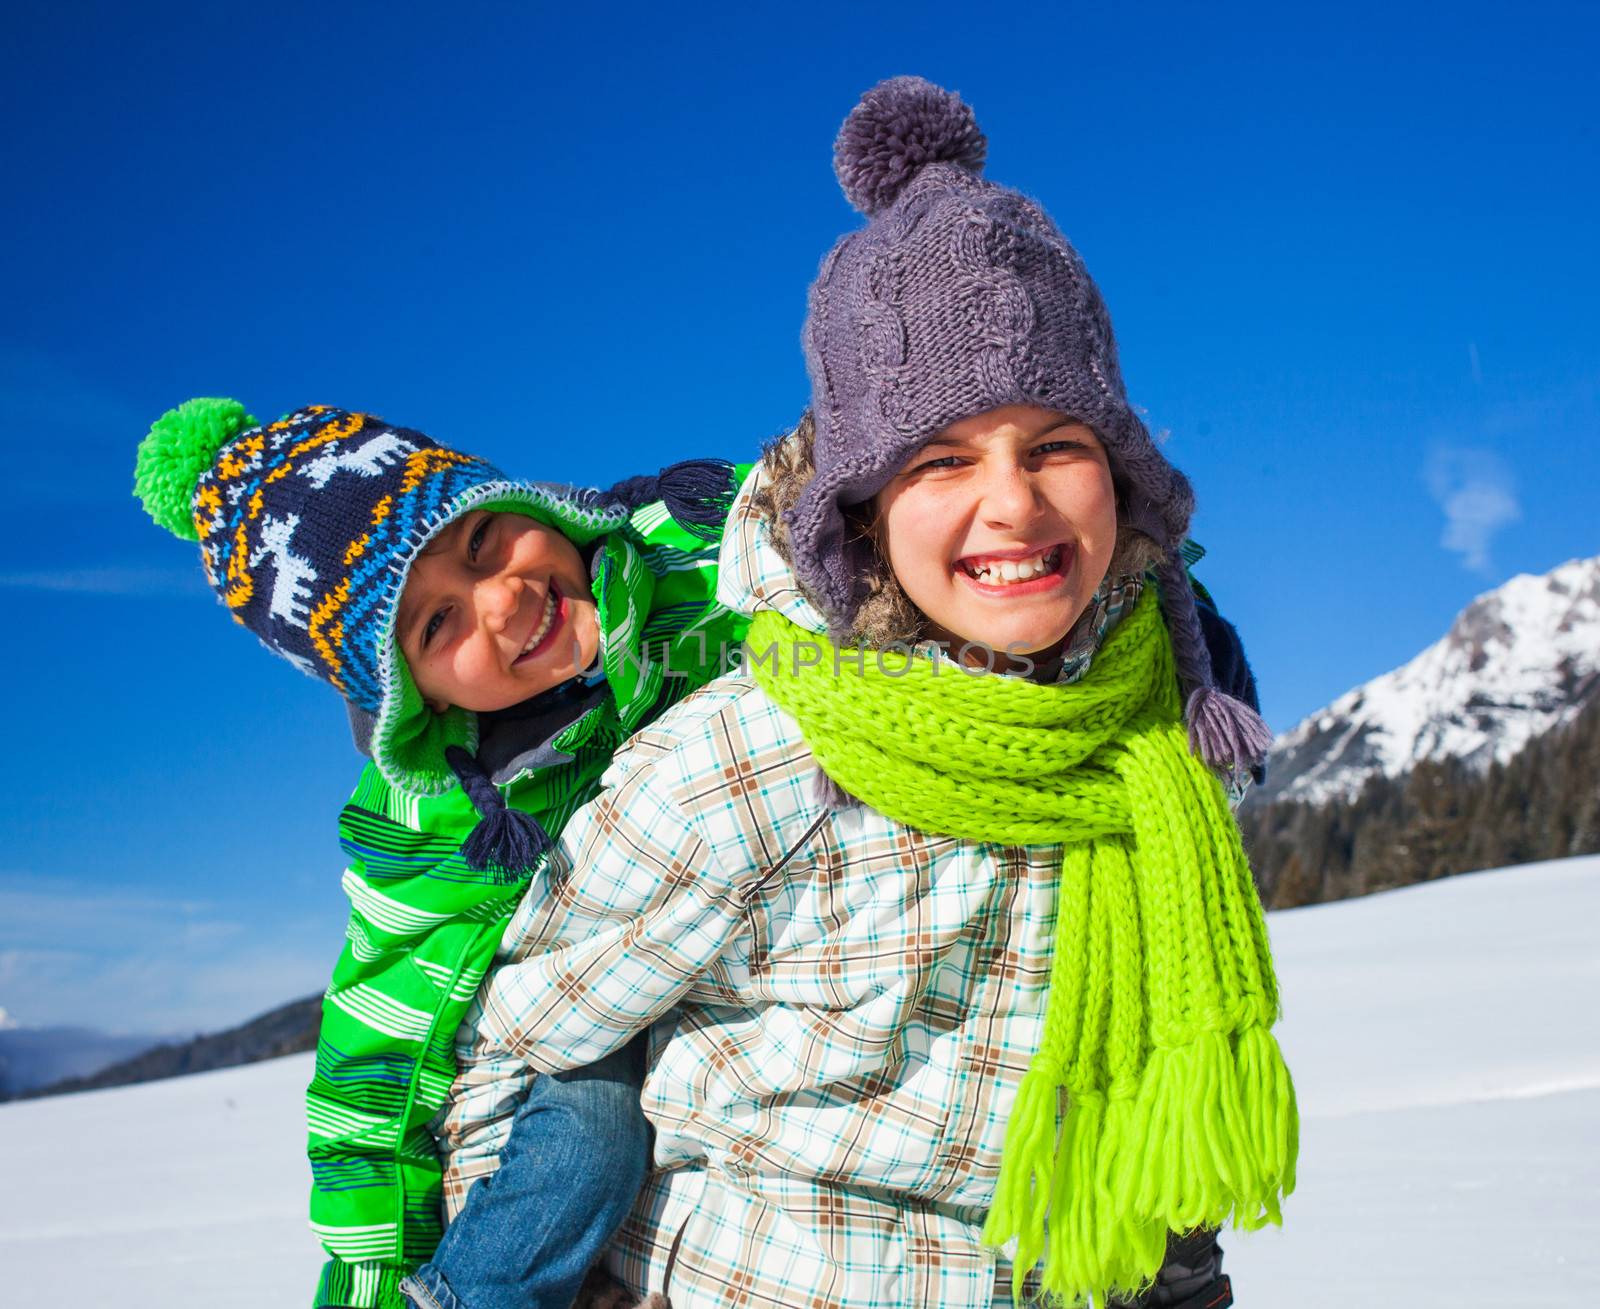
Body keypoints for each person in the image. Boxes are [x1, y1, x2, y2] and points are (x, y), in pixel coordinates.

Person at [435, 77, 1296, 1309]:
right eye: (941, 460)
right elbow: (519, 1055)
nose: (1013, 502)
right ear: (859, 520)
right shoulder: (750, 758)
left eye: (1055, 445)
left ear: (1123, 477)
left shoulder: (1156, 724)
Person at [132, 399, 747, 1309]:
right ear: (404, 692)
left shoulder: (699, 550)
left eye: (484, 538)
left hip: (755, 931)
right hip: (580, 1018)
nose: (503, 597)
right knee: (588, 1127)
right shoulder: (437, 816)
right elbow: (378, 1025)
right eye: (435, 626)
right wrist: (369, 1260)